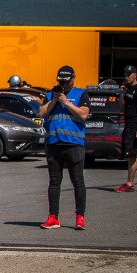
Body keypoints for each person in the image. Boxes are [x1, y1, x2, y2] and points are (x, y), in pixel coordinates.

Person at [39, 65, 90, 230]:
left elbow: (83, 115)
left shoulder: (80, 94)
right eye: (61, 81)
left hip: (73, 144)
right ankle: (53, 217)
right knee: (54, 181)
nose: (63, 85)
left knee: (77, 181)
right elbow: (41, 113)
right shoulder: (50, 95)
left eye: (66, 82)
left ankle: (80, 217)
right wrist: (54, 99)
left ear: (73, 79)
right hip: (54, 143)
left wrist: (66, 102)